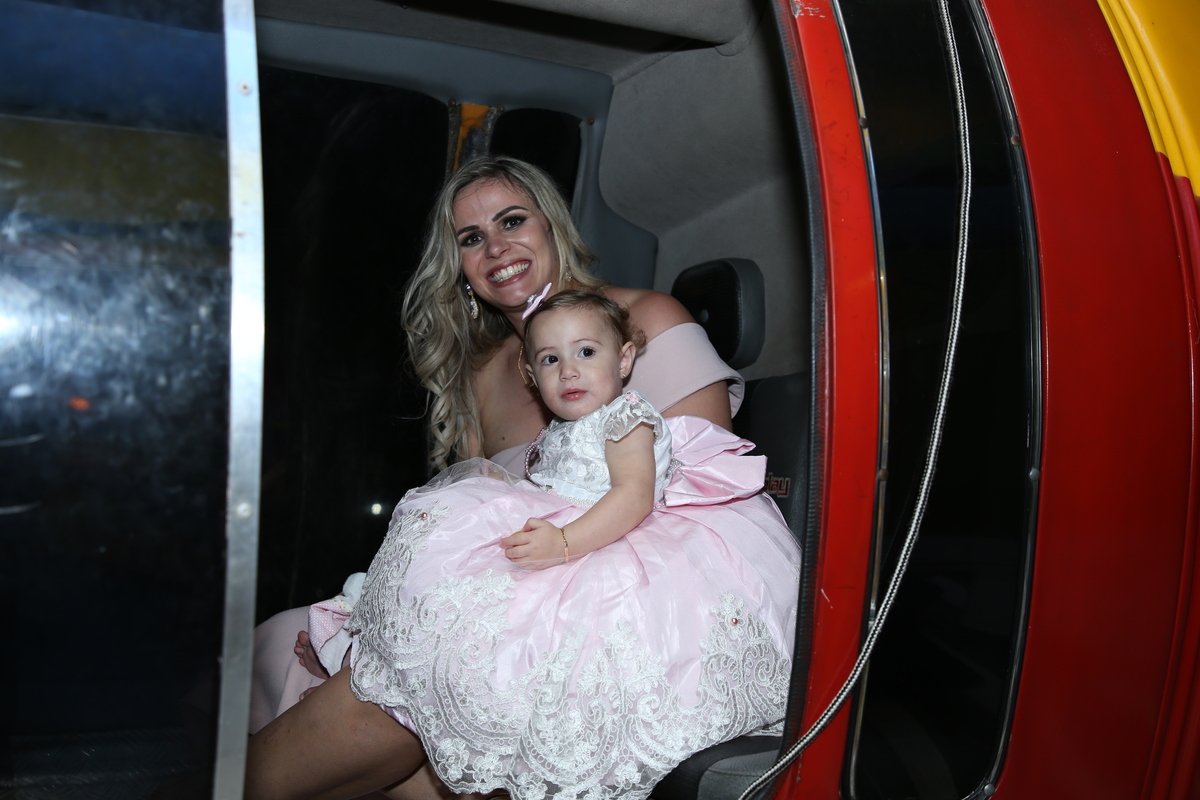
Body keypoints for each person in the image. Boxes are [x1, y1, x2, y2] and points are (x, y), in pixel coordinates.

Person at [245, 157, 798, 800]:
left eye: (512, 221)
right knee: (282, 640)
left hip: (626, 595)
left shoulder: (647, 320)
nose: (497, 249)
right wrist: (375, 619)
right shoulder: (483, 373)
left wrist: (541, 581)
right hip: (516, 574)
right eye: (471, 238)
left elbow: (701, 493)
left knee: (428, 678)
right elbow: (468, 526)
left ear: (552, 225)